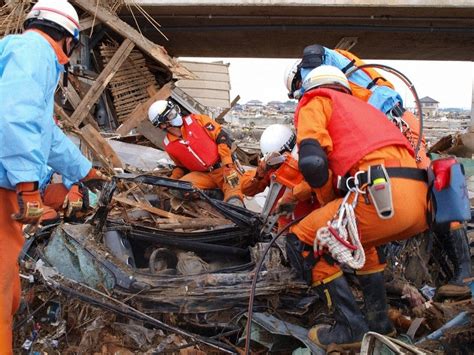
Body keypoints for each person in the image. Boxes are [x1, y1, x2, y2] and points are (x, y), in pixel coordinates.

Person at [285, 45, 472, 298]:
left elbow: (318, 165)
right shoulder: (348, 79)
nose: (298, 95)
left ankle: (465, 272)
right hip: (392, 122)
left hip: (395, 123)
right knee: (425, 187)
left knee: (434, 188)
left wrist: (329, 203)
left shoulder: (318, 78)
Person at [288, 65, 428, 349]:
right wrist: (296, 195)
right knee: (364, 245)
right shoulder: (366, 109)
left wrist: (326, 203)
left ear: (307, 86)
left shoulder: (316, 100)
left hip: (382, 200)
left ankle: (350, 327)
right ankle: (380, 323)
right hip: (419, 204)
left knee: (301, 241)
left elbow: (314, 164)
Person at [0, 1, 106, 352]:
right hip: (5, 190)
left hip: (6, 187)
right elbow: (15, 120)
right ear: (68, 39)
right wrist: (30, 189)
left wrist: (86, 172)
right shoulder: (35, 51)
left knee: (8, 289)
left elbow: (46, 134)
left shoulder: (23, 54)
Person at [283, 44, 431, 170]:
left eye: (299, 84)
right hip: (386, 128)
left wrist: (303, 92)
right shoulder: (337, 92)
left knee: (423, 175)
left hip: (398, 123)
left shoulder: (322, 58)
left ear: (300, 71)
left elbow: (314, 52)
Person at [148, 99, 244, 206]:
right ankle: (215, 195)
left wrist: (227, 163)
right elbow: (181, 166)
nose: (176, 115)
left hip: (224, 168)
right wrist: (172, 181)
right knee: (179, 189)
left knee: (234, 195)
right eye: (171, 115)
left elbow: (222, 138)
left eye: (174, 111)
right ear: (163, 125)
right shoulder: (169, 145)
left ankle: (235, 206)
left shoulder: (198, 120)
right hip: (203, 176)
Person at [240, 124, 328, 230]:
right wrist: (259, 174)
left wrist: (296, 193)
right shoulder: (272, 168)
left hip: (308, 226)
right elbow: (247, 189)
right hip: (279, 225)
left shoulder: (313, 164)